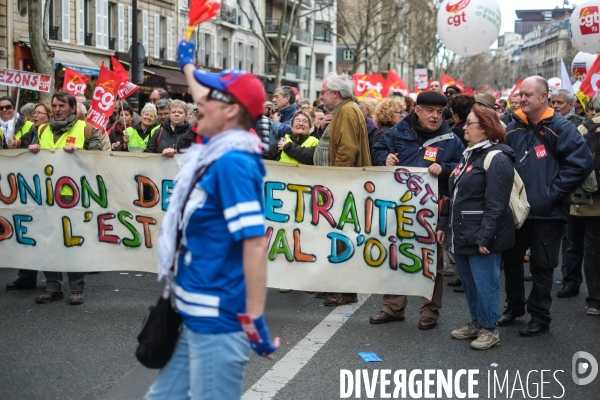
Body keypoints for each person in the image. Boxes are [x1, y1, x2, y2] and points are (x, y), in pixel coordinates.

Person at [145, 39, 278, 400]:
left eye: (211, 95)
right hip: (193, 313)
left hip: (218, 322)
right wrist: (188, 65)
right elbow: (205, 92)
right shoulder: (216, 148)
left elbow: (254, 243)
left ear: (232, 111)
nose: (197, 100)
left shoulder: (233, 162)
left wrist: (254, 319)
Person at [500, 76, 593, 336]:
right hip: (516, 212)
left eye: (528, 94)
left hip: (548, 214)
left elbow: (581, 163)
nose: (523, 98)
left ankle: (540, 316)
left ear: (543, 97)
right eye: (521, 94)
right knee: (512, 261)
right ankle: (514, 306)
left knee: (542, 266)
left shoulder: (561, 127)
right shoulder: (512, 128)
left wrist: (552, 194)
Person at [370, 91, 464, 330]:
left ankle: (430, 311)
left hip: (431, 209)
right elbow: (377, 151)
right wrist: (385, 158)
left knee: (430, 260)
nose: (434, 116)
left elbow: (462, 166)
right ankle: (393, 308)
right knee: (396, 255)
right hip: (398, 206)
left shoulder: (450, 140)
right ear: (417, 110)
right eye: (429, 111)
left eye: (438, 112)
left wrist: (444, 167)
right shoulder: (396, 132)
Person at [437, 104, 515, 350]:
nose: (464, 127)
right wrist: (443, 224)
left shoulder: (498, 157)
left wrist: (485, 236)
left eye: (469, 123)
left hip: (480, 233)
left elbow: (497, 203)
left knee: (485, 283)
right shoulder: (470, 153)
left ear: (485, 127)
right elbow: (453, 194)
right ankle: (477, 322)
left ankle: (490, 329)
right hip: (461, 231)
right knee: (470, 283)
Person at [28, 92, 104, 305]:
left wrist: (79, 153)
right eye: (55, 105)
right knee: (47, 242)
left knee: (73, 243)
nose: (58, 109)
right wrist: (30, 150)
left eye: (62, 105)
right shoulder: (41, 129)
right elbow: (26, 159)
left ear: (73, 109)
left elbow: (99, 159)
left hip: (74, 197)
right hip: (44, 195)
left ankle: (77, 289)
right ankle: (53, 288)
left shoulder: (86, 130)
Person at [314, 72, 371, 307]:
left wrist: (338, 181)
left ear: (335, 93)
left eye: (323, 91)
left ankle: (345, 290)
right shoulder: (342, 110)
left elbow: (347, 149)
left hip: (341, 185)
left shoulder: (347, 111)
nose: (321, 96)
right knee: (337, 236)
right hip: (338, 184)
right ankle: (336, 285)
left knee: (342, 237)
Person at [4, 101, 53, 291]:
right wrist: (16, 145)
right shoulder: (32, 132)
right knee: (27, 232)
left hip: (49, 190)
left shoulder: (51, 132)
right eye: (34, 112)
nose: (35, 116)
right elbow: (21, 148)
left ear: (48, 116)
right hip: (28, 189)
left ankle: (53, 280)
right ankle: (26, 277)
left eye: (40, 113)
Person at [567, 92, 600, 315]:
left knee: (592, 251)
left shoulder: (583, 129)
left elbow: (572, 163)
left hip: (589, 201)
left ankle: (594, 300)